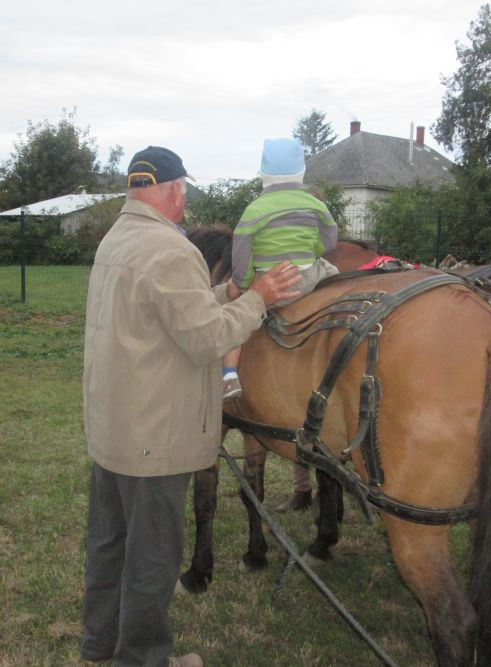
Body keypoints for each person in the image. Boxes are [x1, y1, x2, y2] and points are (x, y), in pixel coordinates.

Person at [80, 145, 302, 667]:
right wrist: (259, 298)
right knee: (153, 559)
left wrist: (223, 291)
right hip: (155, 436)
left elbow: (167, 312)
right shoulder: (171, 249)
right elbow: (207, 339)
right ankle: (143, 660)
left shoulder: (119, 238)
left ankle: (99, 646)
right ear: (173, 190)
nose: (185, 200)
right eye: (183, 191)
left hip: (115, 428)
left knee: (109, 545)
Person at [222, 137, 339, 401]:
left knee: (236, 319)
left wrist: (242, 283)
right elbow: (330, 239)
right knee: (335, 273)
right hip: (308, 275)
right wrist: (312, 250)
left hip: (269, 283)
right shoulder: (314, 204)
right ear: (302, 172)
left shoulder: (254, 210)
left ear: (263, 174)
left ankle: (229, 375)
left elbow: (241, 251)